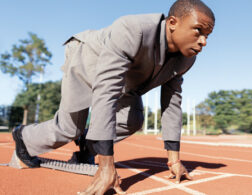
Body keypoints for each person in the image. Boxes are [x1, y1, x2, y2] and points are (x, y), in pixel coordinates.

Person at [12, 0, 215, 194]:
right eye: (198, 30)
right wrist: (106, 166)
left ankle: (88, 143)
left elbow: (172, 104)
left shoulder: (186, 60)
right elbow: (107, 90)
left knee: (133, 119)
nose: (203, 41)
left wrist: (174, 160)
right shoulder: (133, 29)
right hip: (88, 58)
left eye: (208, 35)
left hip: (127, 78)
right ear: (172, 23)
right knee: (69, 128)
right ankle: (24, 137)